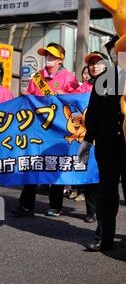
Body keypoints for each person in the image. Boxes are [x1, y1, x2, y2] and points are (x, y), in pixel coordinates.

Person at [78, 36, 126, 251]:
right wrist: (87, 141)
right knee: (109, 191)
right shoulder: (104, 82)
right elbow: (93, 115)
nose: (117, 55)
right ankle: (106, 236)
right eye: (113, 51)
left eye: (119, 51)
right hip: (109, 144)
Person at [12, 43, 79, 217]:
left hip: (57, 130)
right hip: (37, 128)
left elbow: (73, 102)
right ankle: (26, 206)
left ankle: (55, 205)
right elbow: (30, 99)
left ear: (60, 59)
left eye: (52, 56)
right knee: (32, 164)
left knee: (54, 164)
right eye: (46, 55)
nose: (48, 58)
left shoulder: (68, 77)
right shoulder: (37, 76)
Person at [76, 51, 108, 221]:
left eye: (98, 62)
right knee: (89, 173)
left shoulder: (113, 84)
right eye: (91, 63)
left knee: (103, 176)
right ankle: (92, 211)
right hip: (85, 136)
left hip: (106, 136)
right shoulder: (82, 88)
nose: (94, 66)